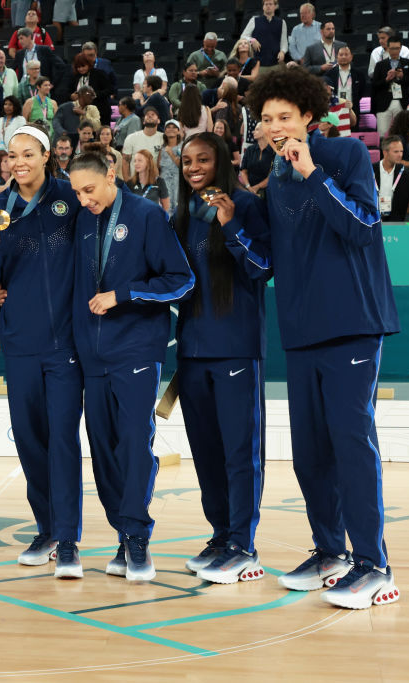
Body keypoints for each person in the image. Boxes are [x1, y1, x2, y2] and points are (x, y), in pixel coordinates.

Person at [245, 66, 400, 608]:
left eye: (285, 117)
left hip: (353, 324)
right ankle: (330, 552)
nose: (276, 127)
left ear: (308, 117)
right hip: (301, 329)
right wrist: (231, 223)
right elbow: (268, 259)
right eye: (267, 120)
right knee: (310, 453)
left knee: (351, 446)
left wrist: (313, 171)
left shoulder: (345, 156)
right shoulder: (275, 176)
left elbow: (361, 228)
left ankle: (374, 565)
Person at [67, 150, 195, 583]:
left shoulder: (145, 215)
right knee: (102, 451)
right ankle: (123, 532)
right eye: (77, 193)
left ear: (110, 174)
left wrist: (123, 295)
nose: (84, 200)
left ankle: (138, 538)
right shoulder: (82, 219)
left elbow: (180, 280)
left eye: (89, 189)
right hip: (91, 356)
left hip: (137, 352)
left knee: (134, 445)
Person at [0, 123, 84, 577]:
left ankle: (70, 539)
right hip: (19, 343)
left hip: (65, 345)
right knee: (31, 442)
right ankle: (47, 528)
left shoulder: (69, 198)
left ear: (46, 156)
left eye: (28, 154)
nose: (18, 162)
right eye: (11, 155)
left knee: (62, 440)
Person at [173, 132, 272, 583]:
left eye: (204, 160)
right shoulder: (183, 214)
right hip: (192, 353)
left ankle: (243, 545)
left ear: (222, 162)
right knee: (207, 452)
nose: (194, 167)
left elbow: (262, 269)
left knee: (239, 452)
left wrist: (231, 225)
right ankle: (220, 535)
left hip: (235, 347)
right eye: (187, 161)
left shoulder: (245, 204)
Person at [371, 36, 409, 137]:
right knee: (382, 133)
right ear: (387, 48)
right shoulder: (380, 65)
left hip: (402, 102)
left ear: (400, 48)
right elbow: (374, 86)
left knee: (402, 133)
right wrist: (386, 79)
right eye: (392, 48)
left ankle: (401, 152)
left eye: (397, 48)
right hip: (383, 103)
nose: (394, 51)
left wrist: (402, 77)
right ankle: (382, 153)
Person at [373, 135, 409, 221]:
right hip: (373, 221)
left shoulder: (406, 174)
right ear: (385, 152)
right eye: (396, 152)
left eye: (401, 151)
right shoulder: (370, 171)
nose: (400, 155)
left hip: (396, 224)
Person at [239, 1, 286, 71]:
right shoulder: (254, 20)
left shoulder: (282, 22)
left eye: (270, 4)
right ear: (263, 7)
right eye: (266, 4)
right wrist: (252, 40)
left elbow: (284, 42)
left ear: (275, 6)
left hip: (275, 63)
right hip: (258, 64)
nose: (268, 6)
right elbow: (243, 36)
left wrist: (283, 51)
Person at [122, 106, 164, 180]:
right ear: (143, 121)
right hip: (135, 182)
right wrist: (127, 182)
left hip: (155, 182)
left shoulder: (164, 138)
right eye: (147, 115)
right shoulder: (131, 138)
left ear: (158, 121)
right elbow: (125, 161)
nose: (150, 116)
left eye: (153, 114)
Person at [239, 122, 275, 196]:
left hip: (267, 190)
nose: (253, 132)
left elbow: (272, 176)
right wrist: (248, 187)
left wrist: (257, 187)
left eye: (257, 129)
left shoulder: (274, 152)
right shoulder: (249, 150)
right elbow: (243, 171)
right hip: (248, 187)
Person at [159, 121, 183, 214]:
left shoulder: (183, 146)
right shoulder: (163, 147)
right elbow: (158, 166)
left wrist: (170, 153)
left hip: (178, 180)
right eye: (168, 127)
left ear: (178, 131)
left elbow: (182, 166)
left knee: (177, 206)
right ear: (165, 131)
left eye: (174, 127)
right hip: (164, 180)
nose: (171, 129)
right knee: (166, 207)